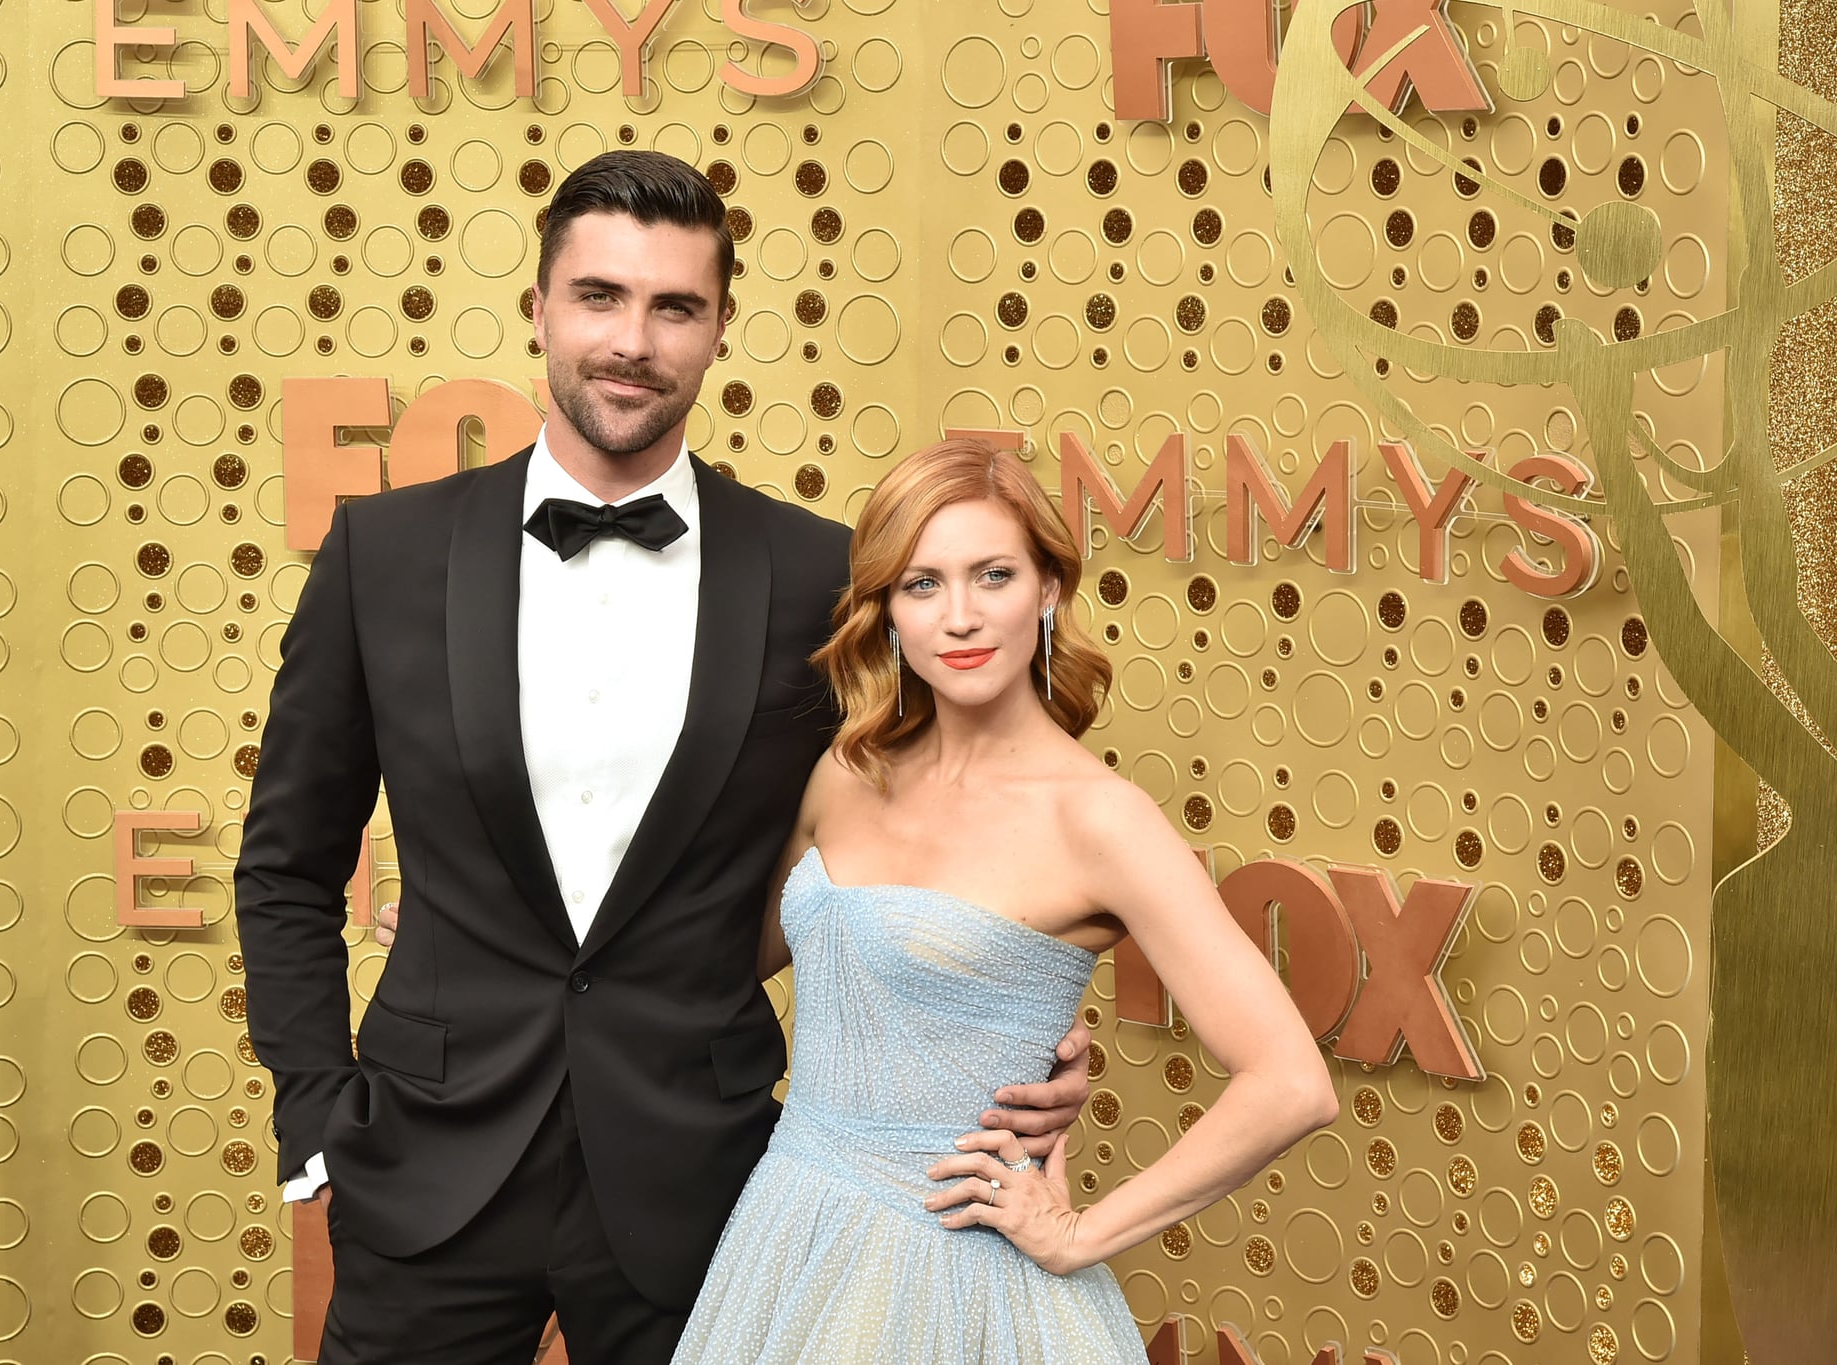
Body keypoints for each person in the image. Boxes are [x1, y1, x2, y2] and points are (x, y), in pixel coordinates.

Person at [233, 152, 1090, 1365]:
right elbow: (285, 866)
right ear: (537, 308)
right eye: (598, 297)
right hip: (423, 1171)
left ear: (720, 330)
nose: (631, 341)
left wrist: (1024, 1023)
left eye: (673, 307)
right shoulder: (384, 555)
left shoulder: (816, 575)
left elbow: (959, 813)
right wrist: (315, 1111)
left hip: (707, 1185)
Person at [666, 438, 1341, 1360]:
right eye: (922, 584)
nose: (961, 616)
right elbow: (716, 963)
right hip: (790, 1233)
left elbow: (1292, 1083)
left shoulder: (1100, 820)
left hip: (959, 1271)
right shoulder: (846, 772)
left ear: (1049, 590)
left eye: (993, 574)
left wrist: (1079, 1234)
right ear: (888, 613)